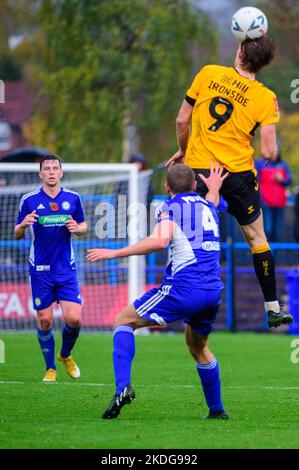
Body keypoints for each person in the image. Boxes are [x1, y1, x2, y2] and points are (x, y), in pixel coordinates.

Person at [166, 35, 293, 328]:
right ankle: (272, 308)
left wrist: (184, 151)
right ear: (263, 64)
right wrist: (271, 152)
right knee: (257, 239)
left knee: (186, 234)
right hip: (237, 175)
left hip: (198, 169)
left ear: (239, 52)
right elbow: (267, 152)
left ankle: (179, 297)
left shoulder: (208, 73)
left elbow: (181, 121)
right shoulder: (265, 97)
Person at [87, 163, 229, 420]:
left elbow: (160, 240)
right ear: (196, 186)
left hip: (184, 288)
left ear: (166, 188)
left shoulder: (170, 207)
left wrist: (115, 252)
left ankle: (122, 388)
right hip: (212, 291)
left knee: (123, 321)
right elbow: (212, 201)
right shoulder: (209, 206)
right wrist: (215, 188)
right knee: (197, 347)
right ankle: (217, 410)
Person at [14, 155, 87, 382]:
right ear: (41, 174)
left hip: (66, 269)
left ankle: (65, 355)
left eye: (55, 168)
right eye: (47, 169)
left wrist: (78, 228)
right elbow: (16, 233)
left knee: (74, 319)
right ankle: (50, 368)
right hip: (40, 271)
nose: (52, 172)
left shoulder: (73, 198)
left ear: (61, 172)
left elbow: (83, 225)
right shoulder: (29, 200)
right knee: (45, 321)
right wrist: (23, 225)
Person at [255, 144, 292, 242]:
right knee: (268, 229)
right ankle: (267, 254)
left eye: (277, 150)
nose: (275, 152)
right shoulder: (260, 163)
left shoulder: (283, 164)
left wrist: (282, 179)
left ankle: (274, 255)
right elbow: (255, 182)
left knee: (277, 230)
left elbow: (289, 180)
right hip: (266, 203)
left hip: (280, 203)